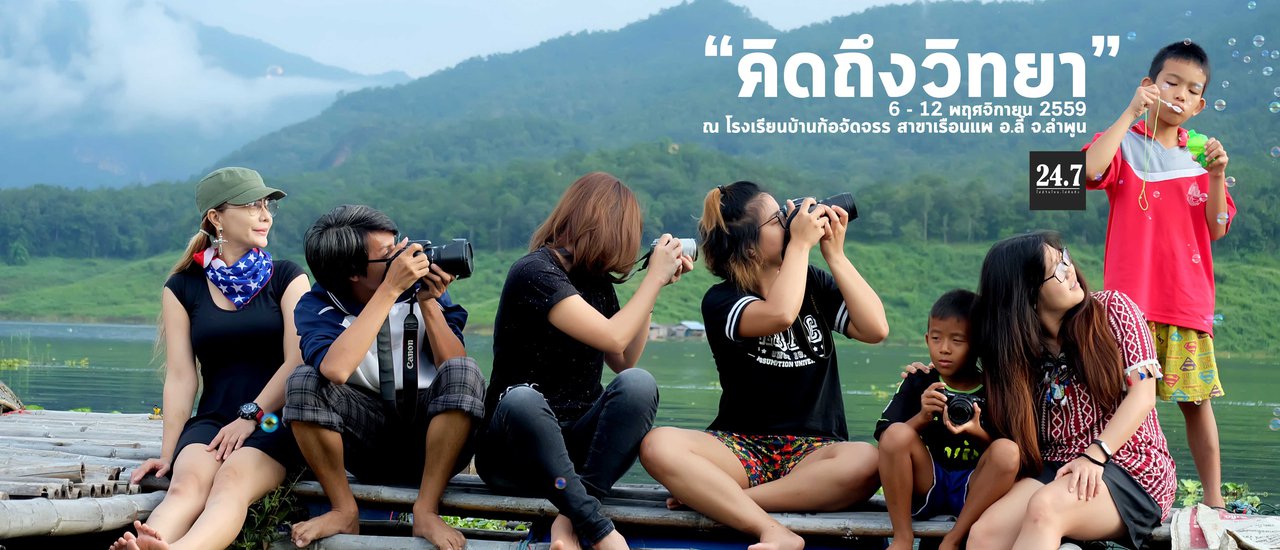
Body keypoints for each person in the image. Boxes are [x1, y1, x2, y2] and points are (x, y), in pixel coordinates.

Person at [639, 181, 887, 550]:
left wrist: (834, 255)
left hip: (813, 453)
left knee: (868, 459)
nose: (789, 222)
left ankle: (731, 502)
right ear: (750, 246)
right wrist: (801, 244)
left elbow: (875, 329)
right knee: (658, 444)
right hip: (740, 448)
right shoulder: (723, 300)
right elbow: (780, 315)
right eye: (778, 219)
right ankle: (772, 529)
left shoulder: (813, 284)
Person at [475, 172, 691, 550]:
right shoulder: (535, 272)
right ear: (607, 226)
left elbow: (624, 359)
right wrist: (651, 279)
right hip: (516, 455)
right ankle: (597, 529)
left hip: (572, 465)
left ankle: (571, 518)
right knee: (523, 399)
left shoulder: (597, 284)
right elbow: (613, 335)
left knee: (639, 383)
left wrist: (655, 288)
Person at [113, 167, 309, 550]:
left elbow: (297, 363)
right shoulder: (183, 286)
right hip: (215, 419)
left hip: (274, 419)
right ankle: (149, 544)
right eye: (252, 205)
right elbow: (182, 377)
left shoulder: (287, 277)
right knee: (186, 485)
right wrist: (169, 453)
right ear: (216, 217)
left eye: (267, 206)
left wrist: (250, 416)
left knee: (231, 481)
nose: (265, 215)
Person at [1082, 40, 1234, 507]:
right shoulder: (1123, 143)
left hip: (1186, 301)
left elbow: (1217, 228)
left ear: (1200, 104)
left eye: (1193, 90)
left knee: (1196, 404)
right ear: (1150, 85)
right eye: (1171, 83)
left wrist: (1215, 176)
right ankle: (1110, 491)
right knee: (1114, 403)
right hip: (1128, 306)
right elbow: (1086, 172)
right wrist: (1130, 113)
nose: (1180, 95)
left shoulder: (1202, 154)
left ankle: (1214, 501)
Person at [283, 205, 486, 550]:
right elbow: (335, 369)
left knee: (465, 370)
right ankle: (343, 508)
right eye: (389, 255)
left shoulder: (421, 290)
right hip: (367, 439)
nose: (404, 259)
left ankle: (426, 509)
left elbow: (456, 367)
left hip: (435, 439)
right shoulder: (318, 305)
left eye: (400, 246)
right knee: (303, 381)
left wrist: (427, 302)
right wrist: (388, 292)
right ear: (352, 272)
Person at [964, 231, 1175, 550]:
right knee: (985, 534)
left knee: (1046, 508)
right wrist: (926, 373)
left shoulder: (1113, 311)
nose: (1070, 269)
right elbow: (958, 363)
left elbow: (1143, 395)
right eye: (1056, 268)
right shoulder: (1017, 351)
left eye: (1065, 258)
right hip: (1056, 467)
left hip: (1131, 464)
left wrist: (1095, 456)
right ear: (1028, 293)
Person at [875, 289, 1019, 550]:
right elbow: (887, 440)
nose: (944, 349)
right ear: (926, 339)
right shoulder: (919, 381)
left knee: (1008, 451)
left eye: (957, 340)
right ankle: (903, 538)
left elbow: (1007, 457)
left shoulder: (994, 387)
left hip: (974, 487)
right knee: (897, 434)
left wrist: (977, 431)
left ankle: (952, 540)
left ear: (976, 344)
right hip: (928, 479)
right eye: (937, 338)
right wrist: (922, 417)